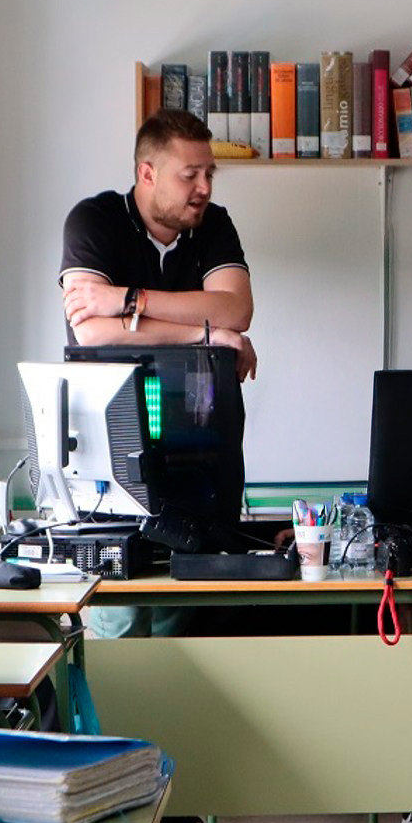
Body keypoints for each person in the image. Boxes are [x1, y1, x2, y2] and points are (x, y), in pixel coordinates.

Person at [59, 108, 256, 643]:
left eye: (209, 173)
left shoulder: (213, 224)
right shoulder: (94, 221)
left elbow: (235, 310)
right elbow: (90, 333)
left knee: (184, 628)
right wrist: (202, 334)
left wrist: (128, 301)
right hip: (111, 466)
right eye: (189, 175)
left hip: (202, 458)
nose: (203, 187)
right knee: (118, 626)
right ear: (147, 172)